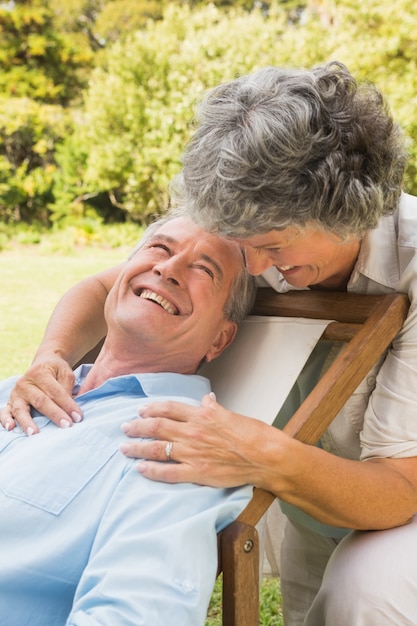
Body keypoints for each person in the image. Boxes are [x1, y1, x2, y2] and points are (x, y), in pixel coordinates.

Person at [2, 60, 417, 625]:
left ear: (346, 214)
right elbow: (109, 285)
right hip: (313, 475)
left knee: (362, 595)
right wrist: (51, 356)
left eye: (272, 249)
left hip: (397, 488)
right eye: (240, 245)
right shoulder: (251, 208)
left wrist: (261, 453)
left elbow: (399, 487)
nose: (252, 264)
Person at [0, 215, 256, 626]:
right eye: (160, 248)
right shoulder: (19, 389)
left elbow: (133, 615)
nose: (168, 269)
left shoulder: (182, 443)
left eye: (204, 269)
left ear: (220, 339)